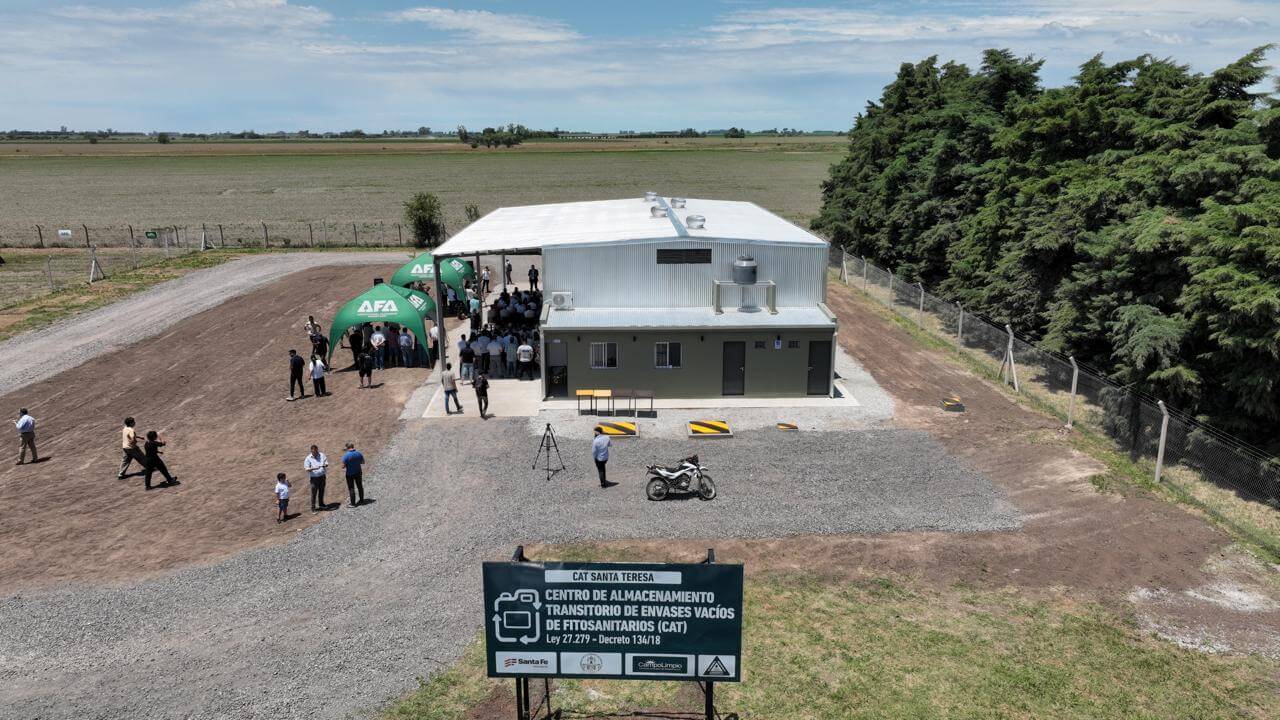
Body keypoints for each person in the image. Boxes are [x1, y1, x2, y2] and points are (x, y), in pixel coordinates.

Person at [304, 445, 328, 512]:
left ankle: (321, 504)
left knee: (321, 491)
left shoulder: (322, 455)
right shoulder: (308, 458)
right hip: (314, 478)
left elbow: (326, 463)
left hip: (322, 477)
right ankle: (313, 508)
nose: (315, 453)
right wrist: (314, 468)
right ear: (311, 451)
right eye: (314, 452)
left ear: (317, 450)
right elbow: (307, 469)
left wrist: (325, 465)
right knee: (314, 493)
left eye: (316, 451)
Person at [341, 442, 366, 508]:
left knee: (351, 488)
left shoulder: (346, 455)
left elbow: (343, 466)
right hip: (358, 472)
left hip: (350, 474)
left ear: (347, 448)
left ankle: (353, 504)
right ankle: (361, 500)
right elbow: (363, 462)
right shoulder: (358, 453)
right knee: (360, 486)